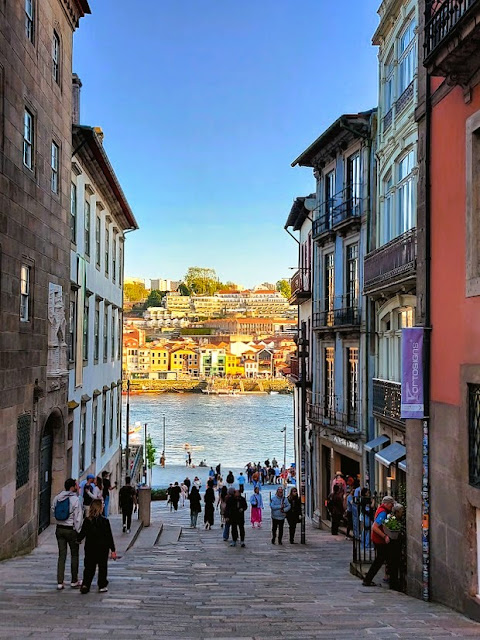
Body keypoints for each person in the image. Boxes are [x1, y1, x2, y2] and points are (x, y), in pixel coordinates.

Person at [77, 499, 116, 594]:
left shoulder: (87, 521)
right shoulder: (105, 521)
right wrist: (113, 550)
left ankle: (86, 584)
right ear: (100, 508)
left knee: (89, 567)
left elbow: (82, 533)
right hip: (103, 548)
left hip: (90, 548)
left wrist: (78, 540)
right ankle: (102, 585)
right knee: (102, 567)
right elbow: (109, 536)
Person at [52, 478, 83, 590]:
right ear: (72, 487)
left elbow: (53, 510)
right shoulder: (75, 500)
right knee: (74, 555)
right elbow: (78, 518)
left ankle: (60, 582)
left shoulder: (57, 498)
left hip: (59, 529)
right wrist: (79, 532)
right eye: (76, 485)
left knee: (62, 555)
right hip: (71, 530)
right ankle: (74, 580)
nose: (78, 486)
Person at [362, 496, 395, 587]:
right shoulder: (383, 513)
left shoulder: (381, 509)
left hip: (378, 539)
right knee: (379, 560)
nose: (392, 506)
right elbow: (375, 527)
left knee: (382, 559)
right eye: (391, 504)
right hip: (379, 540)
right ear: (386, 504)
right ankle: (368, 579)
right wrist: (384, 536)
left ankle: (371, 578)